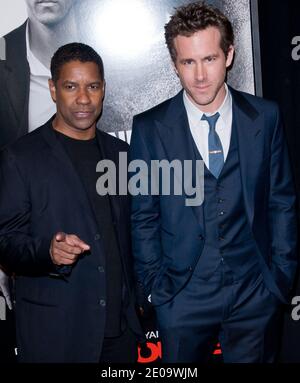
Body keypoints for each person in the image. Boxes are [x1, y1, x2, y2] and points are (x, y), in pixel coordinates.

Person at [129, 1, 298, 363]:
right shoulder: (151, 129)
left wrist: (279, 278)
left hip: (254, 292)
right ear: (175, 64)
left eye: (209, 59)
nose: (200, 75)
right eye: (188, 62)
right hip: (182, 295)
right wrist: (157, 289)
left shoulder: (265, 117)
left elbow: (280, 202)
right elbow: (144, 215)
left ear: (229, 55)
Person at [0, 42, 143, 363]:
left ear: (103, 89)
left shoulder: (121, 156)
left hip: (120, 334)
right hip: (58, 334)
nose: (83, 98)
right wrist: (47, 252)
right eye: (70, 86)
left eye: (92, 86)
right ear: (53, 89)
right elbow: (6, 243)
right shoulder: (20, 158)